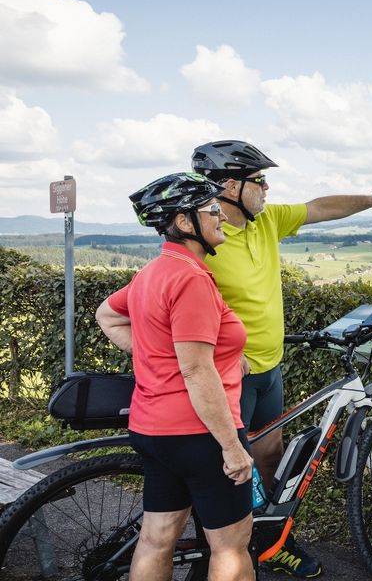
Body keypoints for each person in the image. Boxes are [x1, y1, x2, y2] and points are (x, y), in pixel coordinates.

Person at [191, 139, 372, 578]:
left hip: (268, 370)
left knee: (270, 458)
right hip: (230, 377)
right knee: (228, 473)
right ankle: (221, 555)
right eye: (259, 180)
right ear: (230, 186)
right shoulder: (205, 238)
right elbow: (170, 303)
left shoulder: (266, 220)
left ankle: (272, 543)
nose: (267, 187)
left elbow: (319, 208)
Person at [95, 172, 254, 581]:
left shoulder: (153, 272)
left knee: (157, 538)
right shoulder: (191, 279)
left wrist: (158, 356)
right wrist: (232, 447)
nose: (222, 216)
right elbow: (196, 368)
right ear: (185, 222)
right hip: (200, 434)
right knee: (231, 548)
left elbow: (107, 315)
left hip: (152, 429)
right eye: (213, 209)